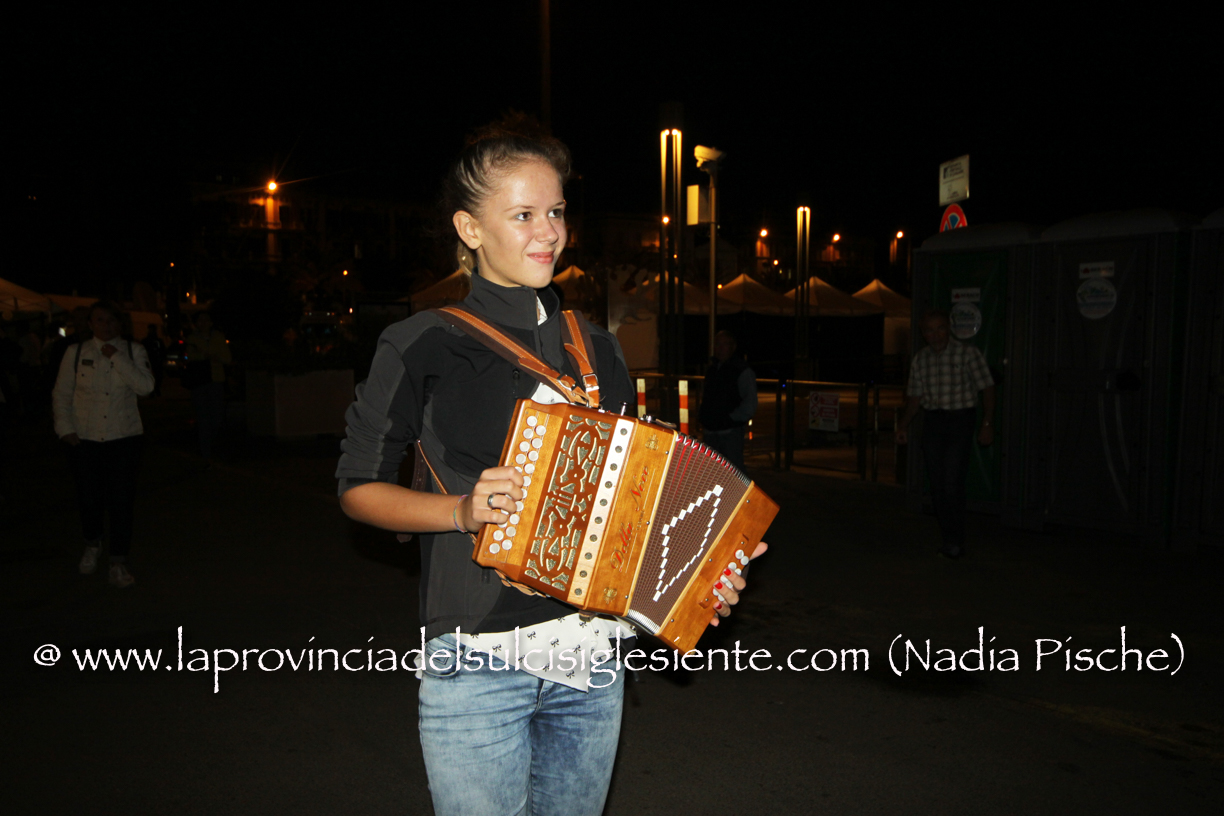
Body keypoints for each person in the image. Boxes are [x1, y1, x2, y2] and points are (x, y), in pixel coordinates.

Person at [336, 120, 766, 816]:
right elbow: (358, 489)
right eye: (524, 215)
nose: (549, 233)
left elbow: (630, 508)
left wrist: (701, 571)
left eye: (557, 212)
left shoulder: (598, 348)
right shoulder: (422, 342)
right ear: (470, 229)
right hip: (477, 662)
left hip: (590, 660)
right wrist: (461, 511)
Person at [52, 300, 154, 588]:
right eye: (99, 320)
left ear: (120, 323)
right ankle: (92, 544)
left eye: (111, 320)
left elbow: (146, 387)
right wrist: (65, 428)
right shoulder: (76, 352)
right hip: (85, 439)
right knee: (89, 498)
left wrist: (117, 357)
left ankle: (118, 561)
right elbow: (62, 394)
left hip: (124, 438)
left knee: (121, 502)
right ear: (90, 324)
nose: (106, 326)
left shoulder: (134, 351)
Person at [896, 309, 995, 559]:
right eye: (930, 330)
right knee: (938, 483)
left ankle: (955, 540)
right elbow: (915, 399)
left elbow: (987, 388)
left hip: (960, 419)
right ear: (923, 334)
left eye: (940, 328)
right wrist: (903, 425)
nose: (936, 335)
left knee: (952, 480)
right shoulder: (921, 359)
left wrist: (987, 423)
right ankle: (949, 537)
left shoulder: (967, 353)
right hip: (934, 421)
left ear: (948, 328)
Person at [700, 329, 758, 470]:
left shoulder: (741, 371)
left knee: (732, 472)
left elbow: (750, 403)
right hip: (711, 431)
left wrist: (731, 419)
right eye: (718, 344)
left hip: (730, 433)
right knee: (711, 472)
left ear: (733, 347)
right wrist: (704, 417)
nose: (720, 348)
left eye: (724, 344)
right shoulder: (713, 369)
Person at [184, 312, 231, 461]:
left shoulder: (218, 337)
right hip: (199, 381)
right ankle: (206, 452)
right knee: (203, 417)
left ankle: (212, 446)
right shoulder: (192, 338)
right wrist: (206, 356)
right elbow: (189, 356)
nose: (203, 323)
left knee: (216, 417)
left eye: (206, 320)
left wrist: (213, 356)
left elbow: (227, 358)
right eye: (200, 320)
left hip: (216, 380)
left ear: (211, 322)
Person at [142, 324, 167, 397]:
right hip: (150, 361)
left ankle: (156, 389)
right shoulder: (146, 341)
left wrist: (162, 359)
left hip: (157, 361)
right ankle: (152, 390)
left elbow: (163, 350)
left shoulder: (158, 341)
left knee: (158, 376)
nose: (151, 331)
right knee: (151, 376)